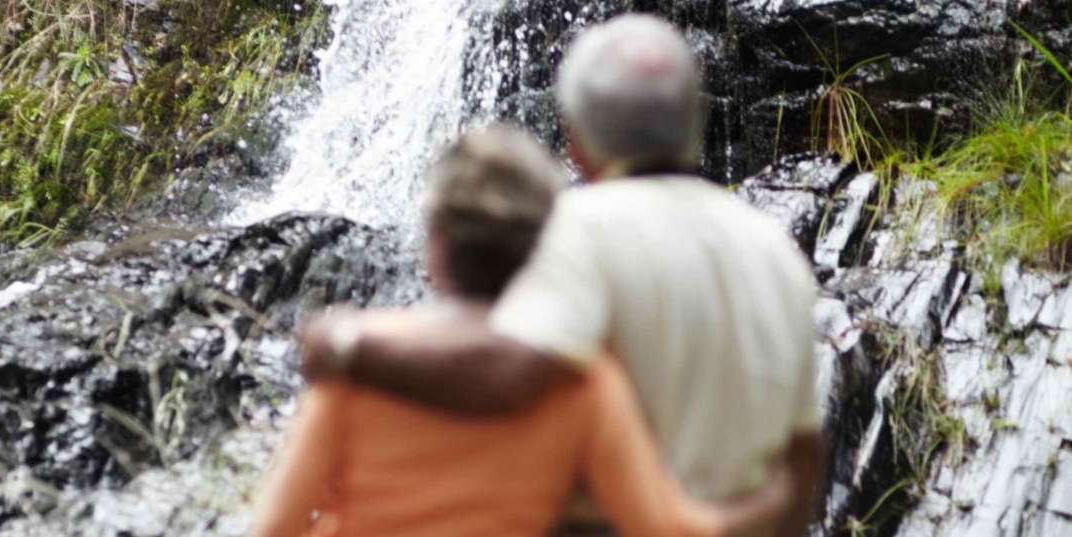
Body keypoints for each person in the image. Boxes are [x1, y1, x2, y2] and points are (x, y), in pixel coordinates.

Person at [301, 15, 825, 537]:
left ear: (575, 140)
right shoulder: (773, 248)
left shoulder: (578, 229)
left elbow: (506, 376)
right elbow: (801, 470)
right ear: (692, 121)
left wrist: (350, 347)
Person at [250, 125, 793, 537]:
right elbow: (672, 528)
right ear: (543, 248)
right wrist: (779, 492)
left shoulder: (356, 357)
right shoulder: (580, 381)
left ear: (436, 242)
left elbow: (275, 527)